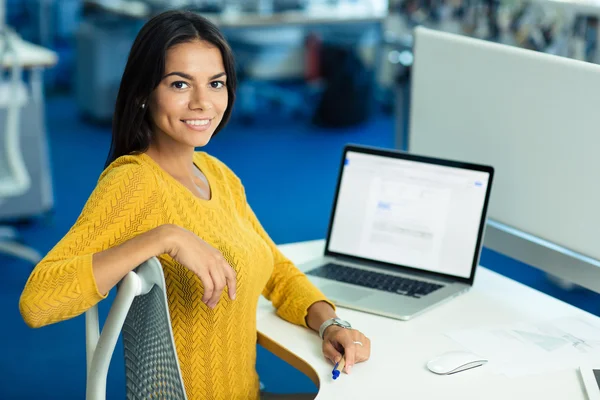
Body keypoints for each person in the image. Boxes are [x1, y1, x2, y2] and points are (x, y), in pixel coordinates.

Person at [19, 10, 371, 400]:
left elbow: (278, 273)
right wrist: (165, 237)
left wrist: (331, 325)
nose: (203, 102)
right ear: (143, 93)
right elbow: (38, 302)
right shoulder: (134, 182)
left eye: (215, 83)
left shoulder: (216, 173)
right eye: (180, 84)